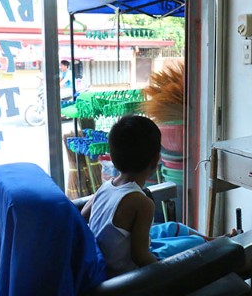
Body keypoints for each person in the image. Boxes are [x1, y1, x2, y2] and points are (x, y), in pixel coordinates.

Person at [81, 115, 236, 278]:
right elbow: (140, 257)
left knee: (172, 227)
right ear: (156, 160)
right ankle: (220, 247)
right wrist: (168, 274)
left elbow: (83, 216)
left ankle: (215, 240)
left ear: (112, 157)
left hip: (107, 259)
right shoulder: (141, 203)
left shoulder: (106, 187)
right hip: (126, 276)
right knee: (194, 244)